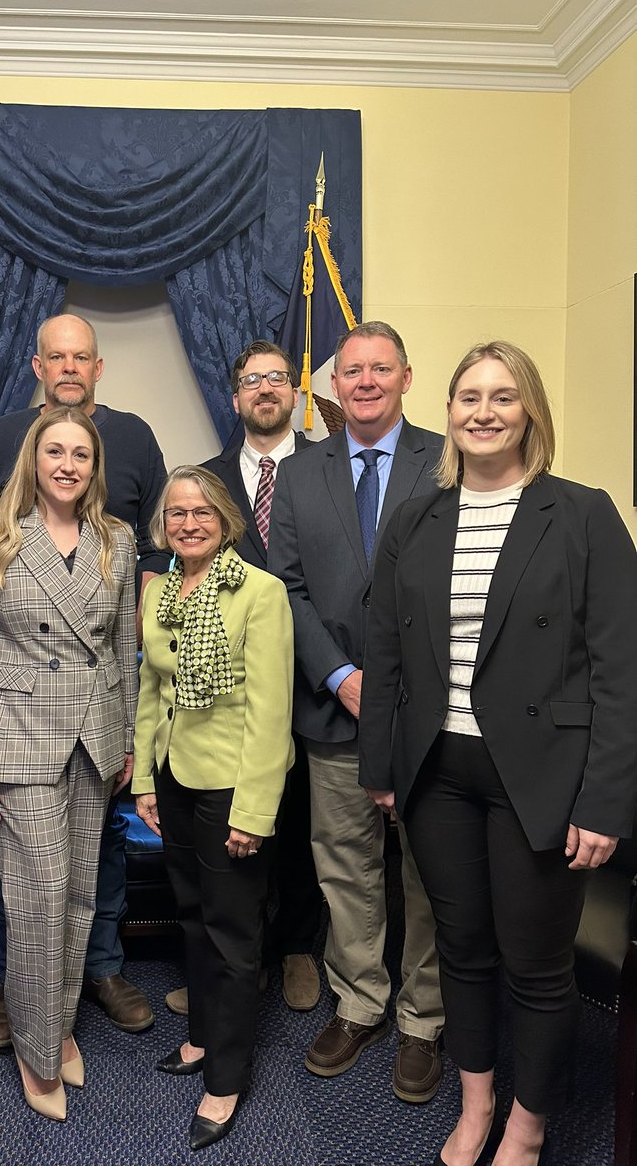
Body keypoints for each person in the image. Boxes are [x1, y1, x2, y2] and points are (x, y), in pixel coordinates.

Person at [359, 341, 637, 1166]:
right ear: (446, 412)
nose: (483, 411)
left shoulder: (584, 513)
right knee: (461, 951)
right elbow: (385, 653)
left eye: (503, 397)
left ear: (530, 412)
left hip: (541, 778)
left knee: (537, 966)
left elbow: (621, 670)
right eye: (468, 396)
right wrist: (381, 765)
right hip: (437, 774)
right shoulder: (415, 518)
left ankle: (528, 1124)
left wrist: (605, 801)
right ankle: (476, 1103)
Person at [0, 312, 166, 1043]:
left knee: (99, 844)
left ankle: (99, 966)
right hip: (23, 694)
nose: (70, 367)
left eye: (82, 356)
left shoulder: (137, 437)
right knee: (21, 854)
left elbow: (155, 549)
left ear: (99, 367)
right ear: (37, 366)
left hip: (103, 675)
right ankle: (18, 985)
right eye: (58, 356)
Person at [268, 320, 445, 1101]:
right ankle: (361, 1001)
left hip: (431, 713)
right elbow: (287, 589)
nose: (365, 381)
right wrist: (337, 674)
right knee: (346, 866)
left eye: (381, 368)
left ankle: (423, 1019)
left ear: (406, 376)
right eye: (352, 371)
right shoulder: (302, 474)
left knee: (429, 870)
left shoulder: (447, 460)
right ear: (333, 386)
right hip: (336, 707)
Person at [0, 406, 138, 1122]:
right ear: (34, 458)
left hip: (93, 734)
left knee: (80, 894)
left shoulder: (115, 540)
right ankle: (35, 1049)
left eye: (81, 455)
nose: (67, 464)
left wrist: (120, 738)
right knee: (36, 896)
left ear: (94, 467)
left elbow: (122, 651)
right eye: (55, 451)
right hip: (17, 732)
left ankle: (58, 1027)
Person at [133, 465, 294, 1151]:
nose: (188, 522)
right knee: (192, 919)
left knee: (232, 937)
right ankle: (200, 1037)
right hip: (174, 774)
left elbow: (270, 712)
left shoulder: (260, 593)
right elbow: (150, 689)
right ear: (163, 526)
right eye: (176, 513)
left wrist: (254, 812)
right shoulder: (161, 593)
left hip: (231, 785)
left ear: (225, 520)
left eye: (201, 511)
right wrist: (143, 779)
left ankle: (225, 1080)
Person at [199, 339, 322, 1013]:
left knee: (303, 818)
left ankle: (298, 945)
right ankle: (229, 955)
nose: (266, 389)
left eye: (277, 378)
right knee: (233, 823)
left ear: (294, 392)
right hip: (230, 686)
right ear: (235, 395)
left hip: (313, 675)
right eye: (252, 380)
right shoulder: (206, 478)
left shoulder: (328, 467)